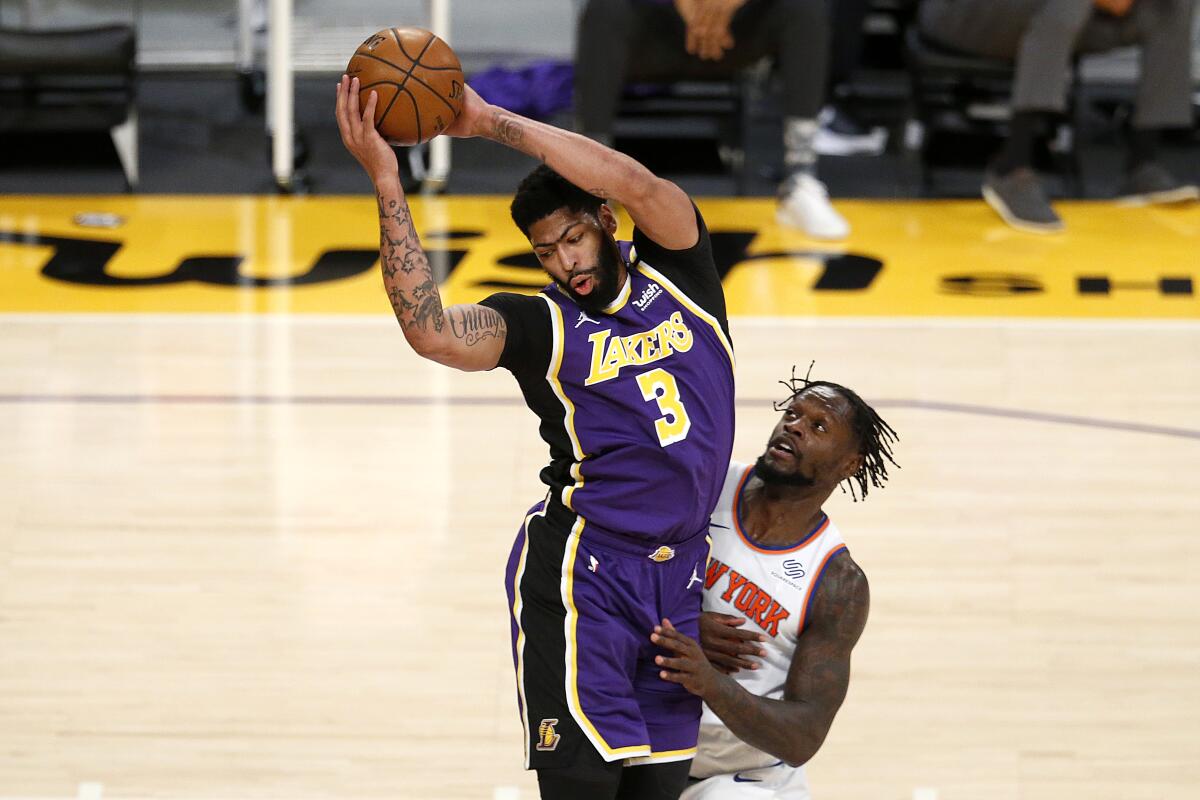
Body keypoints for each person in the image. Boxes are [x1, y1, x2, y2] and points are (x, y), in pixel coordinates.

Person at [335, 74, 736, 800]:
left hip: (679, 580)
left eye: (574, 238)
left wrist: (486, 121)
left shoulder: (682, 271)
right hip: (585, 576)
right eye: (547, 251)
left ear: (606, 222)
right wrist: (387, 182)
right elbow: (430, 332)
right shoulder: (541, 323)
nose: (566, 263)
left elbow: (635, 181)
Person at [649, 371, 898, 798]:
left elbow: (804, 737)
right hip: (644, 750)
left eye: (818, 426)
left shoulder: (837, 583)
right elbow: (600, 577)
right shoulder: (705, 485)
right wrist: (686, 623)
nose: (794, 425)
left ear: (849, 464)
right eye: (793, 413)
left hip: (742, 779)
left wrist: (709, 681)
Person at [575, 0, 853, 240]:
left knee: (806, 7)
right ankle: (594, 186)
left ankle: (799, 179)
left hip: (735, 34)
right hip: (658, 29)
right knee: (604, 9)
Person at [918, 0, 1199, 233]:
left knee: (1172, 6)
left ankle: (1141, 165)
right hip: (962, 14)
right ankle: (1011, 167)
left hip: (1053, 15)